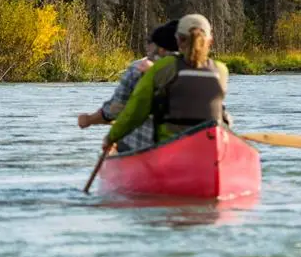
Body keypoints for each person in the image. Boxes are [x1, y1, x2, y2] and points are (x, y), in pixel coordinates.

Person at [102, 13, 231, 155]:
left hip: (170, 148)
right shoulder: (221, 71)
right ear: (210, 42)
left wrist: (111, 138)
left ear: (179, 40)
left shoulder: (163, 67)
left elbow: (135, 113)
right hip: (210, 149)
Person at [77, 19, 179, 155]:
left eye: (150, 42)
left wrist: (89, 120)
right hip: (193, 145)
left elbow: (114, 110)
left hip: (146, 146)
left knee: (117, 143)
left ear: (160, 47)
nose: (147, 47)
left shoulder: (138, 69)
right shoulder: (207, 69)